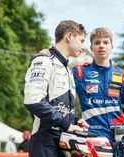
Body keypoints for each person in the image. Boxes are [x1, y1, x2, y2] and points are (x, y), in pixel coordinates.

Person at [72, 27, 124, 157]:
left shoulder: (122, 75)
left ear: (112, 46)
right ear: (92, 47)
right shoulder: (79, 72)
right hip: (93, 140)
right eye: (97, 42)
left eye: (105, 42)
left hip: (121, 141)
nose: (101, 46)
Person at [24, 20, 89, 157]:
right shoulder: (43, 61)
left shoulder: (68, 69)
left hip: (63, 142)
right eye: (81, 41)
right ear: (69, 36)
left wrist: (75, 120)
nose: (83, 47)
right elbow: (33, 100)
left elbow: (57, 104)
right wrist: (67, 125)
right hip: (44, 141)